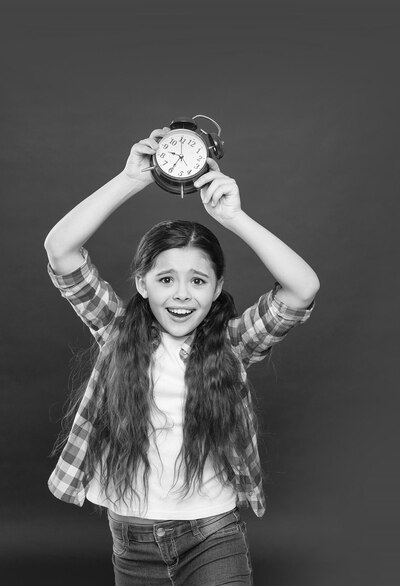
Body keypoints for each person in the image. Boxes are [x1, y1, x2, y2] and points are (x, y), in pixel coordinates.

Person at [44, 126, 320, 586]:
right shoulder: (116, 331)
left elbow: (302, 288)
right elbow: (60, 250)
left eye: (198, 280)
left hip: (214, 532)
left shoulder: (232, 345)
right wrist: (131, 179)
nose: (182, 295)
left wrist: (235, 218)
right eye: (166, 278)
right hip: (132, 537)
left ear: (216, 292)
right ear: (141, 284)